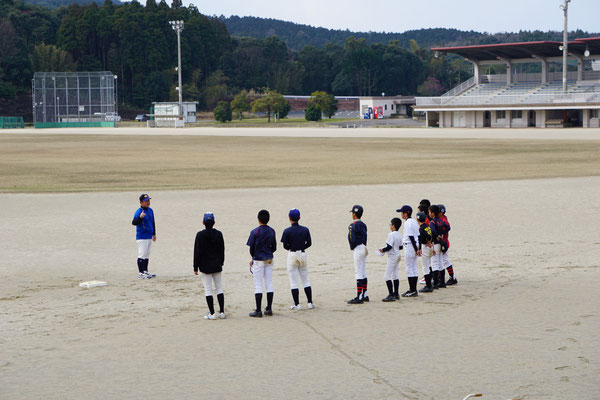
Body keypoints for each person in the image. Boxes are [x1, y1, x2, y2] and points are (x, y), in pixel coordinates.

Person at [194, 212, 226, 320]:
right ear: (214, 222)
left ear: (203, 222)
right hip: (216, 264)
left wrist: (195, 266)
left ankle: (212, 313)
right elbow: (222, 249)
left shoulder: (200, 235)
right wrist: (221, 262)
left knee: (208, 289)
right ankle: (221, 312)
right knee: (219, 287)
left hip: (205, 265)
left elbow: (197, 251)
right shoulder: (219, 234)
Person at [281, 208, 314, 311]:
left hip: (292, 254)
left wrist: (291, 247)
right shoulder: (305, 229)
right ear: (299, 218)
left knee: (293, 282)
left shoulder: (287, 231)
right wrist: (302, 247)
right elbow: (309, 243)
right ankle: (309, 302)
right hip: (302, 253)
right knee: (306, 280)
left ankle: (297, 304)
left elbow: (285, 245)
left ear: (289, 218)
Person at [247, 209, 277, 318]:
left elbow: (251, 248)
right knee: (269, 283)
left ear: (258, 219)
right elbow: (274, 247)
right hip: (269, 258)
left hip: (258, 259)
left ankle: (258, 310)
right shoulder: (272, 231)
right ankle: (269, 308)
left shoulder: (255, 231)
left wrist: (253, 257)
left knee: (258, 285)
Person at [131, 194, 156, 279]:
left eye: (148, 200)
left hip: (149, 235)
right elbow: (134, 222)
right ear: (141, 202)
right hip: (142, 236)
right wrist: (140, 217)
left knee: (147, 254)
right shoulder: (139, 211)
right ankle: (140, 273)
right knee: (142, 254)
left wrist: (154, 234)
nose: (148, 202)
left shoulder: (150, 210)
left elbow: (153, 222)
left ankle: (145, 271)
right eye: (146, 201)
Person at [347, 205, 368, 304]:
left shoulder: (353, 225)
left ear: (354, 214)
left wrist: (352, 246)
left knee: (358, 272)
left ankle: (359, 296)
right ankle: (365, 294)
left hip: (358, 248)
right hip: (364, 247)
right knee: (363, 272)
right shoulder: (363, 224)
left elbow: (352, 238)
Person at [378, 218, 403, 301]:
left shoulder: (391, 235)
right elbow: (401, 247)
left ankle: (391, 294)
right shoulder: (399, 234)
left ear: (393, 226)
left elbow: (389, 246)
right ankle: (396, 293)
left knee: (387, 276)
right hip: (397, 255)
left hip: (392, 256)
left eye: (390, 224)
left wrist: (382, 250)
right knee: (395, 274)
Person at [397, 205, 419, 297]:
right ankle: (414, 289)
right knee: (414, 268)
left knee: (409, 268)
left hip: (410, 246)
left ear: (406, 213)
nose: (401, 214)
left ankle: (412, 289)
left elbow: (410, 237)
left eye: (402, 213)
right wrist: (419, 248)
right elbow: (418, 236)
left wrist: (416, 249)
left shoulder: (407, 223)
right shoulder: (414, 221)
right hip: (415, 245)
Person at [428, 205, 449, 288]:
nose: (429, 214)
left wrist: (436, 235)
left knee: (434, 263)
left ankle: (436, 283)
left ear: (433, 213)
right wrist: (442, 233)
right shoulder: (440, 221)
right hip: (440, 243)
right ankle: (442, 282)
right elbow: (448, 227)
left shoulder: (432, 222)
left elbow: (432, 230)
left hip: (435, 243)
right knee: (440, 262)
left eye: (429, 212)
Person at [439, 204, 458, 285]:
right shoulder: (442, 218)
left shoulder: (444, 221)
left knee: (445, 260)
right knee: (441, 260)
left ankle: (452, 277)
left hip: (443, 243)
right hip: (444, 242)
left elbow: (446, 229)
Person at [416, 212, 434, 293]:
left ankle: (428, 285)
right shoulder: (427, 227)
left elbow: (421, 239)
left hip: (425, 247)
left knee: (425, 267)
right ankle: (430, 283)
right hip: (430, 247)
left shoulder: (421, 228)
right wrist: (430, 242)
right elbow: (431, 235)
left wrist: (427, 242)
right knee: (429, 265)